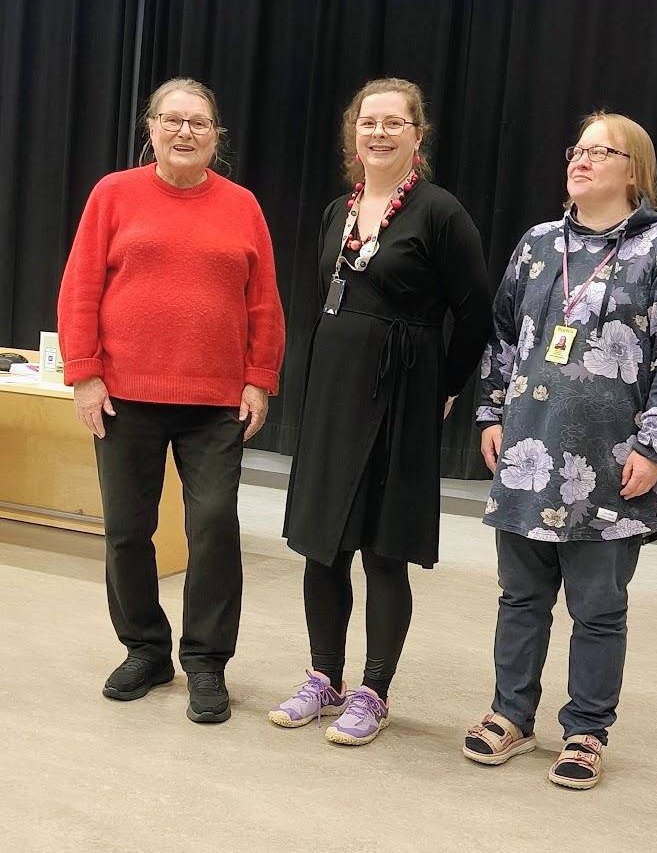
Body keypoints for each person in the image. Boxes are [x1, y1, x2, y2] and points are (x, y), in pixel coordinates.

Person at [464, 111, 657, 788]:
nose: (581, 160)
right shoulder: (538, 243)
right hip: (527, 451)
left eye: (600, 152)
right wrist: (490, 412)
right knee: (520, 597)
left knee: (598, 608)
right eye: (577, 150)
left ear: (634, 170)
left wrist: (654, 445)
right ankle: (511, 714)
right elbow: (503, 334)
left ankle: (587, 730)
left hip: (611, 463)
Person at [269, 78, 491, 745]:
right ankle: (323, 677)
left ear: (417, 136)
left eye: (395, 123)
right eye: (369, 122)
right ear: (353, 132)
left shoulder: (440, 212)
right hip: (333, 395)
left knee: (383, 550)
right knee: (322, 544)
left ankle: (373, 690)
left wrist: (445, 386)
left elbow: (475, 313)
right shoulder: (337, 211)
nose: (379, 133)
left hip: (402, 398)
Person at [58, 77, 285, 723]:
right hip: (123, 396)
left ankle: (206, 662)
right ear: (151, 128)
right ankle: (146, 650)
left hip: (214, 402)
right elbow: (79, 287)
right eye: (173, 119)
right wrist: (85, 374)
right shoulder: (113, 194)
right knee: (128, 531)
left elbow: (264, 301)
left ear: (216, 136)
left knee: (213, 527)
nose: (185, 131)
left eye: (199, 122)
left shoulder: (242, 205)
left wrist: (258, 378)